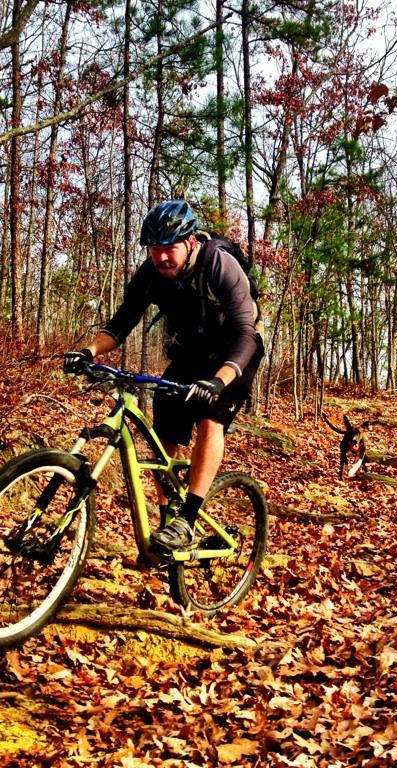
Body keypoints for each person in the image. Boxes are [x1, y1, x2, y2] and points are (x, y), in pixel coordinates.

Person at [64, 199, 262, 553]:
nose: (161, 258)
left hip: (236, 351)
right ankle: (167, 518)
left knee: (209, 416)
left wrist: (218, 381)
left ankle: (187, 520)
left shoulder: (219, 264)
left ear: (189, 242)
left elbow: (246, 332)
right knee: (164, 432)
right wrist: (88, 351)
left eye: (169, 248)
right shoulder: (150, 273)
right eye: (154, 250)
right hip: (190, 351)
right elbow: (122, 322)